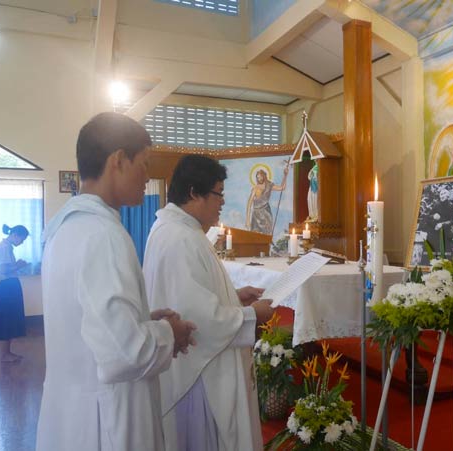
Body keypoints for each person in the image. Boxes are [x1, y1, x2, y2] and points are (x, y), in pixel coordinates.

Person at [36, 112, 197, 451]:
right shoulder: (104, 235)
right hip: (106, 419)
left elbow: (88, 323)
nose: (147, 176)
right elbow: (125, 353)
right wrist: (170, 332)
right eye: (144, 163)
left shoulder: (64, 228)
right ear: (119, 160)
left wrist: (141, 320)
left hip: (72, 411)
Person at [143, 154, 274, 451]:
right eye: (218, 193)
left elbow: (193, 293)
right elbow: (196, 318)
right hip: (197, 376)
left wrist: (234, 296)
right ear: (193, 192)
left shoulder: (181, 231)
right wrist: (251, 315)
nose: (222, 202)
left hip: (197, 368)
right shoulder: (179, 238)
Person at [0, 223, 29, 362]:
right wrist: (19, 265)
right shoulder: (5, 247)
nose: (22, 242)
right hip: (8, 287)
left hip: (8, 287)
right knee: (8, 320)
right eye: (22, 239)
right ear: (15, 235)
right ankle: (5, 355)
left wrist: (17, 266)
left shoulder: (6, 246)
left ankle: (7, 353)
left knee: (9, 320)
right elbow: (4, 270)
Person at [245, 165, 288, 235]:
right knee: (255, 235)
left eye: (260, 177)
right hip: (256, 215)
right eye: (257, 177)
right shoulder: (255, 188)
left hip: (266, 214)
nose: (259, 179)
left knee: (266, 235)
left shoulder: (269, 186)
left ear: (264, 176)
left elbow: (282, 187)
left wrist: (285, 175)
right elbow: (249, 204)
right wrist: (247, 220)